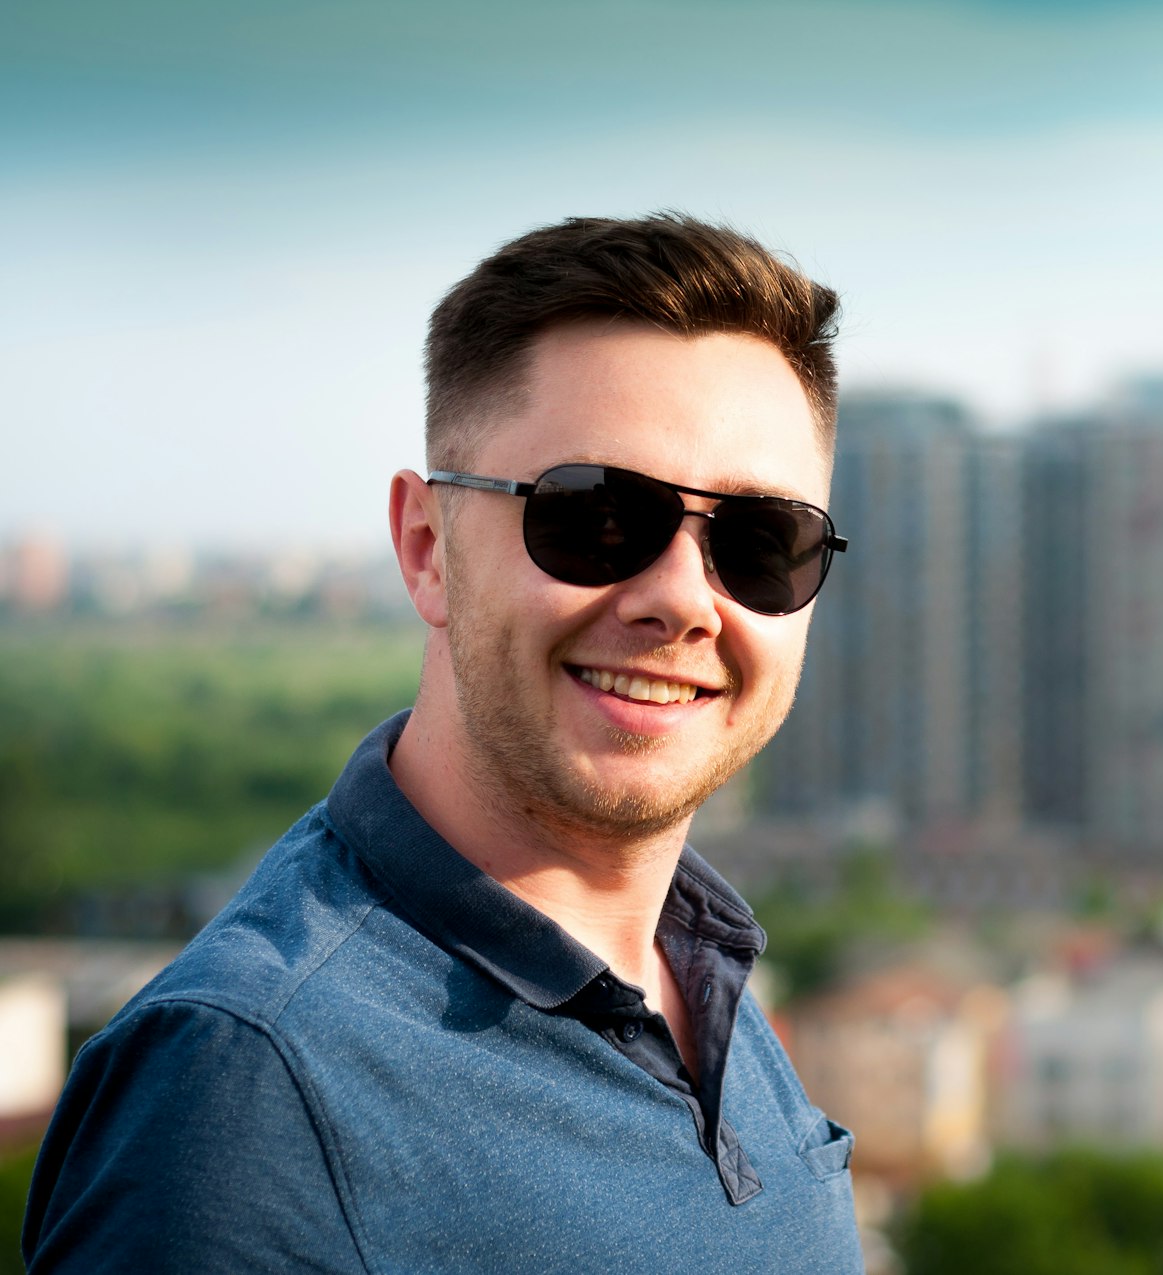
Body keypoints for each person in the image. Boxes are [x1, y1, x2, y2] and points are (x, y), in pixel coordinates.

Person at [23, 215, 864, 1273]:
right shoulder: (250, 1088)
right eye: (597, 517)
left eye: (759, 544)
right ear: (426, 548)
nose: (682, 602)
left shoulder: (707, 979)